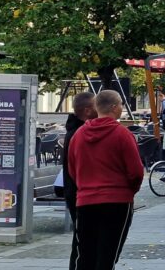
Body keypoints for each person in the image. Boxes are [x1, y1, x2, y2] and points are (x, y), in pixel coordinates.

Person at [68, 90, 144, 269]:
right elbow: (136, 172)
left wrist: (85, 187)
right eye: (121, 105)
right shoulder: (122, 134)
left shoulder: (78, 135)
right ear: (114, 107)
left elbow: (73, 169)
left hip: (86, 201)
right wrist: (128, 191)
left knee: (85, 254)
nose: (122, 109)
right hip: (117, 201)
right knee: (108, 253)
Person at [62, 91, 97, 270]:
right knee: (82, 243)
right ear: (88, 110)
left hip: (80, 193)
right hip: (78, 194)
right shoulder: (78, 133)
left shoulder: (77, 130)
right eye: (97, 105)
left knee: (86, 241)